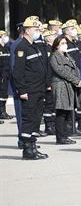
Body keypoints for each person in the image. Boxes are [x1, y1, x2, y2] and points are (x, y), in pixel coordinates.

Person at [13, 17, 49, 160]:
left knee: (35, 119)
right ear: (27, 31)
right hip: (30, 90)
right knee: (29, 120)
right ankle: (27, 149)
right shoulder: (22, 47)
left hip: (39, 89)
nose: (38, 32)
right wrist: (22, 91)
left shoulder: (35, 45)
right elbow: (18, 72)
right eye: (35, 29)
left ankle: (33, 147)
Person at [49, 35, 81, 145]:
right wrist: (75, 80)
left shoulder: (68, 55)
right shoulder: (54, 56)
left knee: (68, 112)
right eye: (62, 43)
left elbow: (75, 68)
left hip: (69, 86)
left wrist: (79, 79)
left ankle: (65, 135)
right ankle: (60, 137)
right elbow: (61, 71)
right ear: (57, 45)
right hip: (61, 86)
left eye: (65, 43)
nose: (65, 45)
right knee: (61, 112)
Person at [0, 30, 13, 120]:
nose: (5, 38)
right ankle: (1, 112)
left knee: (4, 93)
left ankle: (3, 112)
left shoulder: (7, 47)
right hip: (1, 74)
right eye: (3, 36)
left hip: (6, 74)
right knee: (1, 93)